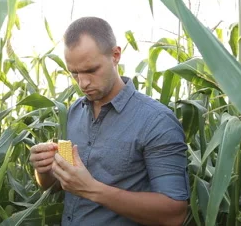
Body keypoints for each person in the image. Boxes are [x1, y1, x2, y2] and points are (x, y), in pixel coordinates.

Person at [29, 17, 190, 226]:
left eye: (91, 70)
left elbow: (174, 213)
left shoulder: (156, 122)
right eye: (74, 73)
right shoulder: (75, 112)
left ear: (115, 56)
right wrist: (43, 169)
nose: (82, 83)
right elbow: (59, 184)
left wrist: (91, 188)